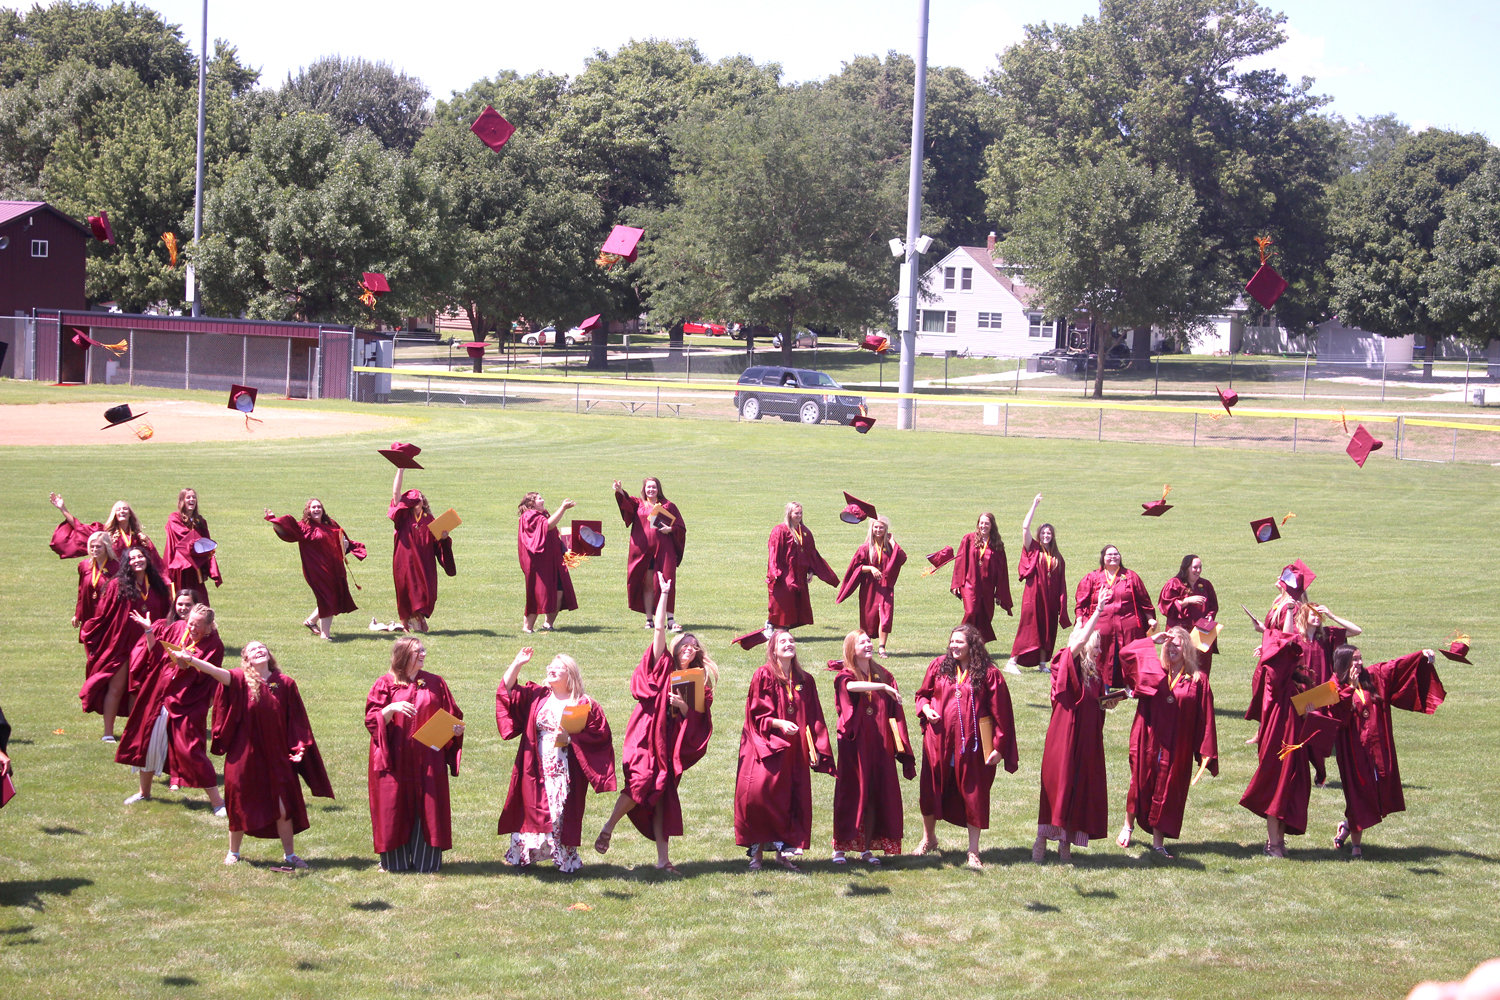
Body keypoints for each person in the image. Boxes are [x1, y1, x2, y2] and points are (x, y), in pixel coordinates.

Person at [169, 640, 333, 867]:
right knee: (239, 804)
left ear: (269, 654)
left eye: (262, 648)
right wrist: (191, 660)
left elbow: (296, 720)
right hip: (243, 754)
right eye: (253, 649)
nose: (259, 650)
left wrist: (299, 747)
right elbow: (216, 672)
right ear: (246, 658)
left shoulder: (285, 684)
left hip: (275, 754)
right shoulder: (238, 679)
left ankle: (290, 855)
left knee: (283, 806)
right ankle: (233, 852)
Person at [595, 577, 716, 872]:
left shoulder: (699, 681)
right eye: (685, 645)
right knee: (640, 781)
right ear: (675, 648)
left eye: (694, 646)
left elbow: (698, 718)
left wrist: (683, 706)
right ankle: (609, 826)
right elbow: (660, 628)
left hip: (671, 743)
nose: (689, 648)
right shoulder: (660, 663)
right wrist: (664, 593)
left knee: (663, 795)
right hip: (645, 733)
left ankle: (663, 861)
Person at [496, 648, 616, 872]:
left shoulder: (584, 703)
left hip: (566, 768)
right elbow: (507, 691)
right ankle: (524, 855)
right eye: (549, 666)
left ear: (570, 674)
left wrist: (571, 738)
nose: (551, 669)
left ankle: (564, 857)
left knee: (559, 811)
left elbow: (600, 735)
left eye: (557, 667)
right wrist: (517, 663)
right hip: (535, 763)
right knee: (531, 807)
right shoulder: (538, 695)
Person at [915, 623, 1019, 869]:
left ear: (973, 645)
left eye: (959, 642)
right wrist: (926, 709)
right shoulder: (940, 666)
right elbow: (922, 695)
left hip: (972, 745)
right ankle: (928, 839)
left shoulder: (989, 674)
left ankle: (973, 851)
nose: (954, 646)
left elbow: (1002, 714)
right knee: (930, 790)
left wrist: (999, 747)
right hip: (939, 741)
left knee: (974, 794)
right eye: (952, 642)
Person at [1327, 644, 1445, 859]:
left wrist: (1420, 656)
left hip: (1377, 747)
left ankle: (1346, 826)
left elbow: (1395, 667)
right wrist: (1350, 688)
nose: (1359, 663)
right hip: (1353, 751)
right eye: (1354, 659)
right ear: (1343, 662)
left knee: (1377, 792)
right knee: (1357, 794)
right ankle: (1356, 846)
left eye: (1360, 658)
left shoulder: (1373, 677)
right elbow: (1336, 719)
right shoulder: (1333, 687)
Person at [734, 629, 835, 870]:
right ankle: (756, 853)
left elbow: (815, 717)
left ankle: (783, 854)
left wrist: (817, 749)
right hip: (766, 747)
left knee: (790, 798)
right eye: (783, 641)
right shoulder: (764, 675)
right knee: (760, 796)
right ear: (773, 649)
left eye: (791, 640)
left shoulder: (805, 680)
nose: (789, 644)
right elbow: (756, 712)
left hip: (795, 751)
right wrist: (778, 723)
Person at [1114, 628, 1218, 858]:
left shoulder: (1198, 679)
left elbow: (1205, 716)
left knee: (1167, 789)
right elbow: (1126, 654)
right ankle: (1127, 826)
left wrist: (1205, 751)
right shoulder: (1153, 670)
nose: (1171, 648)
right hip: (1149, 736)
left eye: (1177, 645)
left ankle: (1158, 843)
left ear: (1187, 650)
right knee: (1139, 781)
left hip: (1177, 743)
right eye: (1168, 644)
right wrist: (1151, 640)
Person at [115, 597, 226, 814]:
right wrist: (149, 631)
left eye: (197, 625)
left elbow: (206, 672)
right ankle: (144, 793)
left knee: (191, 750)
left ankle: (217, 802)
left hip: (188, 702)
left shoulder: (214, 644)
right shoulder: (177, 628)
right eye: (190, 623)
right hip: (159, 695)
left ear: (208, 627)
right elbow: (156, 654)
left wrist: (187, 661)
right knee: (147, 742)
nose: (191, 628)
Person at [365, 636, 465, 872]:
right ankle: (393, 860)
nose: (423, 654)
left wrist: (454, 730)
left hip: (427, 758)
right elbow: (371, 720)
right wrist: (390, 709)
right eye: (417, 651)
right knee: (393, 806)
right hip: (395, 758)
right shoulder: (385, 684)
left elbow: (450, 713)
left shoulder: (434, 682)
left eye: (423, 650)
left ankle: (426, 858)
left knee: (428, 806)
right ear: (402, 655)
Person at [1034, 597, 1112, 863]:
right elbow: (1075, 645)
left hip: (1087, 738)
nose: (1100, 650)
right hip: (1064, 735)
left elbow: (1096, 702)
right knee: (1060, 786)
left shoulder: (1096, 673)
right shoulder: (1064, 662)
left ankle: (1065, 844)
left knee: (1078, 787)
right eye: (1097, 645)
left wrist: (1108, 702)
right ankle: (1042, 838)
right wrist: (1098, 612)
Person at [828, 630, 914, 864]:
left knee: (876, 792)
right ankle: (840, 848)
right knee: (851, 792)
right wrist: (882, 688)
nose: (868, 644)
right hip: (854, 743)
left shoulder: (882, 673)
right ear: (851, 649)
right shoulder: (845, 674)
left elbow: (895, 713)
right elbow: (850, 687)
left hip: (879, 743)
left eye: (869, 641)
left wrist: (900, 744)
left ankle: (866, 848)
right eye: (861, 642)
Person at [1238, 631, 1319, 857]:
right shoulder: (1273, 683)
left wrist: (1311, 711)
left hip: (1295, 746)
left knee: (1291, 791)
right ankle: (1273, 844)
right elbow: (1277, 657)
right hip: (1278, 746)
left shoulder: (1296, 685)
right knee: (1277, 789)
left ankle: (1278, 841)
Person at [81, 546, 170, 741]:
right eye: (132, 558)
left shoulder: (157, 586)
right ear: (126, 563)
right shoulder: (116, 586)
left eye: (140, 556)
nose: (137, 560)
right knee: (117, 686)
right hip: (121, 643)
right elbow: (105, 614)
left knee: (137, 689)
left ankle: (133, 733)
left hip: (147, 644)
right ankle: (108, 733)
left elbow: (165, 616)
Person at [265, 499, 365, 641]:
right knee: (327, 598)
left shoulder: (331, 523)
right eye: (313, 507)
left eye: (319, 507)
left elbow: (342, 539)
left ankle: (311, 621)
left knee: (333, 596)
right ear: (308, 510)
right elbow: (286, 532)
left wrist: (346, 545)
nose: (316, 509)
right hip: (317, 570)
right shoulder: (304, 527)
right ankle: (325, 635)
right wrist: (274, 520)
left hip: (334, 568)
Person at [1072, 544, 1154, 687]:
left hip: (1127, 625)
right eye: (1109, 555)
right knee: (1101, 656)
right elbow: (1081, 603)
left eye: (1116, 554)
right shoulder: (1093, 577)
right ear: (1103, 558)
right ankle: (1100, 685)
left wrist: (1150, 619)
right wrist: (1079, 621)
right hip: (1101, 626)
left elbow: (1144, 600)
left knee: (1129, 654)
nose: (1113, 557)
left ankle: (1130, 685)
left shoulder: (1130, 576)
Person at [614, 477, 686, 630]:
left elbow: (681, 527)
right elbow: (626, 504)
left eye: (653, 487)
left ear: (658, 489)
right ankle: (649, 619)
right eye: (648, 487)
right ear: (644, 489)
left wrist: (670, 530)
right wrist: (620, 491)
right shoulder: (638, 504)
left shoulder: (668, 506)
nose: (651, 490)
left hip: (664, 550)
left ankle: (670, 619)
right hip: (644, 551)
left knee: (667, 582)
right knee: (647, 584)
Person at [388, 468, 454, 633]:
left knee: (426, 592)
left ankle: (419, 617)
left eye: (420, 499)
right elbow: (396, 496)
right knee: (405, 590)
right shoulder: (403, 517)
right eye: (414, 499)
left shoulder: (430, 520)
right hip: (405, 560)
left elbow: (438, 545)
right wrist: (400, 469)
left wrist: (444, 538)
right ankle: (405, 623)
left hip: (425, 562)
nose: (418, 501)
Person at [1009, 494, 1070, 672]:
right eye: (1043, 533)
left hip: (1049, 599)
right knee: (1028, 627)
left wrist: (1061, 602)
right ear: (1039, 535)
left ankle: (1042, 664)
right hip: (1033, 596)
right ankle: (1012, 661)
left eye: (1049, 533)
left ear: (1053, 536)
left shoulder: (1058, 557)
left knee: (1047, 628)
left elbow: (1061, 583)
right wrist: (1034, 505)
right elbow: (1024, 527)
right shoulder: (1033, 549)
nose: (1046, 535)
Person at [835, 516, 907, 657]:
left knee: (885, 615)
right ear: (871, 529)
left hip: (885, 586)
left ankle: (882, 648)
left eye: (881, 527)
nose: (878, 530)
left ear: (886, 529)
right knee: (869, 616)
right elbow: (856, 568)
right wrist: (870, 568)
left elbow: (902, 558)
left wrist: (893, 542)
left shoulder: (889, 547)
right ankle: (866, 645)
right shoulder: (865, 547)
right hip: (869, 586)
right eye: (876, 527)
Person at [765, 502, 839, 630]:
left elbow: (811, 553)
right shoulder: (780, 530)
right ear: (789, 514)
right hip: (784, 572)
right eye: (796, 513)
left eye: (800, 513)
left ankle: (782, 628)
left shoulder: (805, 532)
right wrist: (774, 572)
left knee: (795, 602)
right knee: (783, 600)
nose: (799, 515)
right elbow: (773, 552)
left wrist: (811, 570)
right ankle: (773, 625)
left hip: (799, 574)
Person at [49, 493, 163, 570]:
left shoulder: (139, 536)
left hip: (132, 576)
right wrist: (63, 508)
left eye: (125, 509)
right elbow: (80, 528)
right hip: (111, 575)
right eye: (118, 509)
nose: (122, 511)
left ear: (130, 514)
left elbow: (154, 559)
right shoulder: (105, 533)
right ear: (114, 514)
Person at [516, 491, 577, 633]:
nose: (543, 500)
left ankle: (548, 624)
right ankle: (527, 627)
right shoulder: (529, 516)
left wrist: (564, 549)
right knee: (538, 594)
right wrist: (562, 508)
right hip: (539, 564)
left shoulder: (543, 514)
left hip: (554, 560)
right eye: (539, 499)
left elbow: (553, 533)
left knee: (559, 591)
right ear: (531, 503)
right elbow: (547, 526)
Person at [951, 511, 1012, 646]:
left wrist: (1000, 592)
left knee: (985, 616)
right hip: (969, 583)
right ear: (978, 524)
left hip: (987, 587)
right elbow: (960, 562)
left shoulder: (997, 545)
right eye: (981, 523)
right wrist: (956, 584)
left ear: (992, 526)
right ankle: (960, 640)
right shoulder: (968, 539)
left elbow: (1002, 571)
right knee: (971, 611)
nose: (983, 526)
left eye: (987, 523)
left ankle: (977, 646)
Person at [1157, 555, 1217, 673]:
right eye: (1195, 567)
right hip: (1180, 633)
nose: (1198, 570)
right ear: (1186, 568)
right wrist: (1187, 601)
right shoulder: (1174, 584)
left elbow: (1213, 606)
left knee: (1201, 667)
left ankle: (1200, 690)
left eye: (1200, 567)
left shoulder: (1205, 585)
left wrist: (1210, 616)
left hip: (1201, 633)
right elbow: (1165, 607)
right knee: (1178, 664)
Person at [162, 488, 221, 605]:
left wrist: (207, 560)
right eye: (188, 497)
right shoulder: (174, 518)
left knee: (199, 599)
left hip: (195, 567)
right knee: (181, 598)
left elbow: (206, 543)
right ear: (182, 501)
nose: (191, 499)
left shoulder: (200, 521)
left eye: (194, 497)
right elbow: (183, 538)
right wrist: (199, 544)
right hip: (180, 567)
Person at [71, 530, 117, 644]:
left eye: (98, 546)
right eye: (92, 547)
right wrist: (78, 614)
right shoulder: (84, 565)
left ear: (106, 547)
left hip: (107, 613)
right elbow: (81, 591)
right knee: (90, 643)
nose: (94, 550)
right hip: (89, 610)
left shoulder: (116, 567)